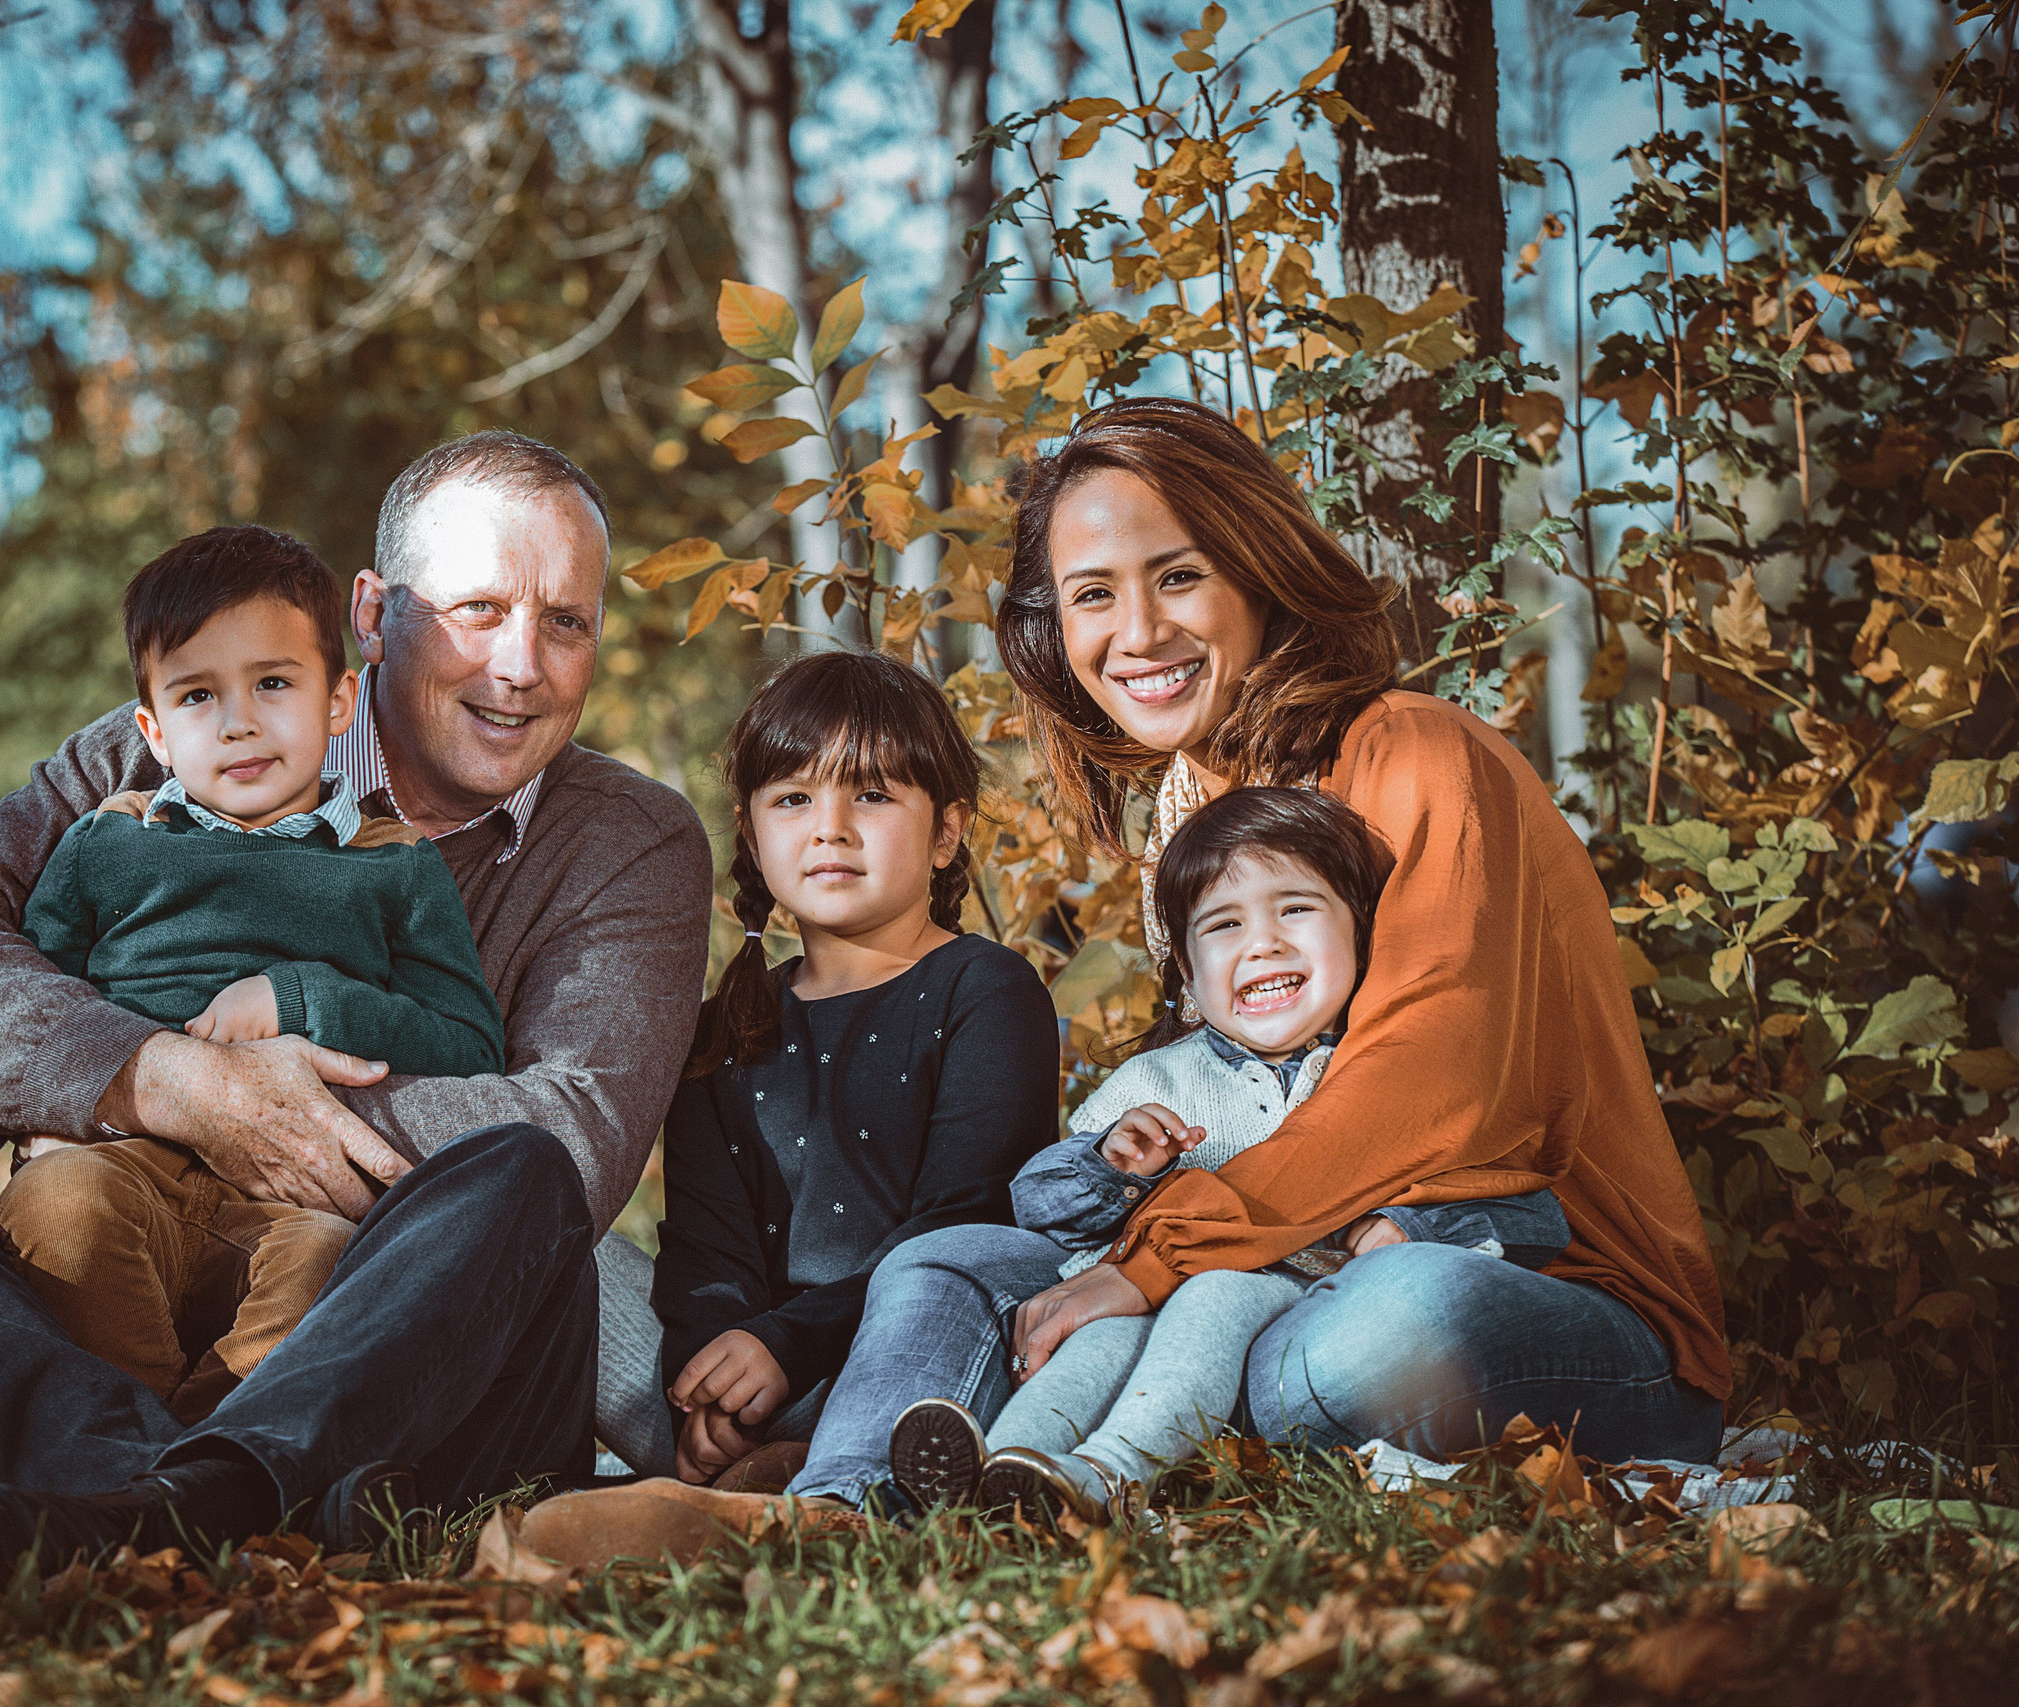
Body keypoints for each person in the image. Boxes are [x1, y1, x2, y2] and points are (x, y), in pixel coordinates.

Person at [577, 395, 1729, 1526]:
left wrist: (1155, 1259)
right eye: (1093, 596)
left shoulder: (1416, 754)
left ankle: (1074, 1445)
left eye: (1177, 576)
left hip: (1536, 1291)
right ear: (1054, 630)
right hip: (1268, 1278)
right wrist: (1115, 1227)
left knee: (1380, 1329)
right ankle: (837, 1500)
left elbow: (1436, 1086)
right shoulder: (1200, 820)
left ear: (1256, 568)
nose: (1137, 634)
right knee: (959, 1262)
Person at [0, 432, 713, 1579]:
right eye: (478, 609)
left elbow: (579, 1130)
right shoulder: (167, 755)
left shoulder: (632, 840)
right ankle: (120, 1477)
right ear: (371, 613)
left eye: (567, 621)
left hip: (403, 1400)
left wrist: (264, 1103)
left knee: (520, 1172)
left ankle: (181, 1494)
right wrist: (167, 1081)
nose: (520, 665)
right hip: (122, 1257)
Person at [0, 526, 505, 1427]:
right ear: (154, 730)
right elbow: (27, 1003)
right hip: (114, 1164)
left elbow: (470, 1043)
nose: (238, 720)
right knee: (61, 1204)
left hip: (284, 1200)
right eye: (199, 695)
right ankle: (129, 1455)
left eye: (273, 683)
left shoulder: (391, 866)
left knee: (325, 1263)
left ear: (339, 701)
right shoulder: (108, 845)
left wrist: (302, 1000)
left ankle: (203, 1473)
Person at [888, 787, 1571, 1522]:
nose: (1264, 942)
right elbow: (1038, 1201)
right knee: (1099, 1337)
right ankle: (1003, 1470)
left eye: (1297, 909)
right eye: (1224, 923)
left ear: (1363, 934)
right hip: (1139, 1301)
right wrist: (1109, 1168)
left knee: (1214, 1292)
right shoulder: (1157, 1080)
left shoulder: (1387, 1073)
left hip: (1299, 1305)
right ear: (1185, 970)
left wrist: (1411, 1226)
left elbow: (1527, 1207)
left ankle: (1109, 1472)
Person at [600, 651, 1059, 1489]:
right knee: (572, 1244)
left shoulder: (987, 990)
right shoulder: (721, 1032)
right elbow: (708, 1251)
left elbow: (968, 1219)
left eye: (873, 794)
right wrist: (716, 1381)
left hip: (925, 1372)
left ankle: (818, 1489)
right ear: (752, 832)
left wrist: (789, 1341)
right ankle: (738, 1468)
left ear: (947, 831)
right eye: (794, 799)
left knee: (935, 1274)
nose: (831, 826)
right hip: (764, 1385)